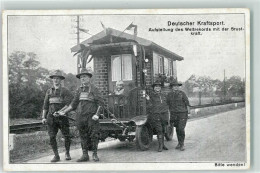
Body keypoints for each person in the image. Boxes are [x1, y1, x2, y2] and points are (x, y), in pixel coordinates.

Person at [58, 68, 103, 162]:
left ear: (89, 78)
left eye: (85, 76)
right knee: (83, 135)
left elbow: (101, 103)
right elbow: (73, 104)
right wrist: (64, 111)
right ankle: (85, 155)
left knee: (94, 135)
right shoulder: (79, 90)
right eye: (81, 77)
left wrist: (97, 114)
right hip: (80, 116)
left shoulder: (94, 89)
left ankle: (94, 154)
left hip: (91, 117)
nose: (83, 78)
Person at [42, 70, 73, 162]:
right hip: (51, 118)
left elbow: (69, 104)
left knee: (66, 136)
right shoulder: (48, 91)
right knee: (52, 137)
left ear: (61, 80)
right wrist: (43, 117)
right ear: (52, 80)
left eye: (58, 78)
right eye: (54, 78)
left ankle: (67, 153)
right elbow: (45, 105)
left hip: (62, 117)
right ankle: (56, 155)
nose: (56, 80)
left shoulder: (65, 91)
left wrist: (60, 112)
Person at [166, 79, 190, 151]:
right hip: (174, 114)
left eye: (177, 86)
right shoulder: (169, 95)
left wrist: (189, 113)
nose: (175, 87)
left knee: (181, 128)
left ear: (178, 87)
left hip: (182, 113)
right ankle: (179, 143)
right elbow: (167, 104)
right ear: (172, 87)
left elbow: (187, 104)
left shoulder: (182, 93)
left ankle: (182, 144)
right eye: (174, 86)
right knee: (177, 128)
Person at [146, 80, 169, 152]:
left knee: (164, 129)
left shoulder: (164, 95)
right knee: (159, 130)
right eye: (156, 87)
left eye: (159, 86)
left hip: (164, 114)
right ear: (153, 88)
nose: (157, 88)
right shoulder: (151, 96)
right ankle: (160, 146)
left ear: (161, 88)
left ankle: (163, 144)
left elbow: (168, 103)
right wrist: (148, 100)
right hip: (156, 115)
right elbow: (149, 106)